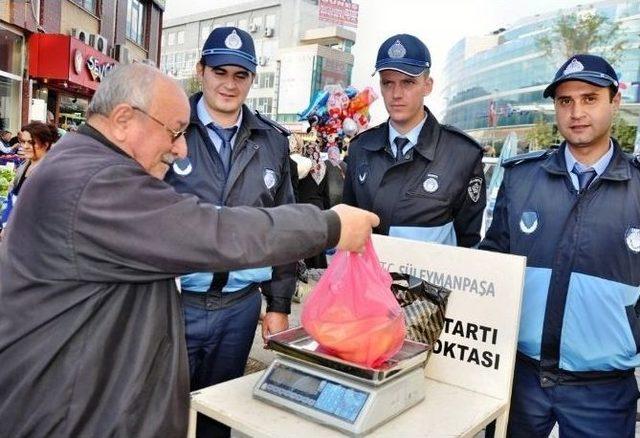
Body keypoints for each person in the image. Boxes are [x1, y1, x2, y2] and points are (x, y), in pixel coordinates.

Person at [0, 63, 379, 438]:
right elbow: (211, 232)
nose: (181, 149)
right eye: (176, 132)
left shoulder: (86, 167)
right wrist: (330, 226)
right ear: (123, 119)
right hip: (69, 416)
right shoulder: (93, 184)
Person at [480, 54, 640, 437]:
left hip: (604, 390)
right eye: (565, 101)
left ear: (614, 101)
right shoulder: (521, 180)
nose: (576, 112)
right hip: (520, 378)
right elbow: (490, 267)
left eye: (589, 98)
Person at [163, 26, 300, 437]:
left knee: (218, 417)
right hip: (174, 304)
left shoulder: (271, 141)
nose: (229, 83)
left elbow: (285, 228)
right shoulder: (169, 128)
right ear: (200, 70)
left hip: (239, 309)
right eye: (219, 71)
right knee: (162, 413)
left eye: (240, 75)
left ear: (252, 80)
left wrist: (278, 304)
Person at [343, 34, 486, 248]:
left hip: (430, 280)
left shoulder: (462, 154)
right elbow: (349, 224)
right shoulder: (360, 148)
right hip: (368, 279)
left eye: (408, 82)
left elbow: (468, 242)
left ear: (427, 85)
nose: (396, 94)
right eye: (387, 83)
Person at [0, 122, 59, 237]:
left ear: (46, 144)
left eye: (31, 142)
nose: (25, 146)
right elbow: (14, 198)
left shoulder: (49, 172)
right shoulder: (24, 166)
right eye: (23, 141)